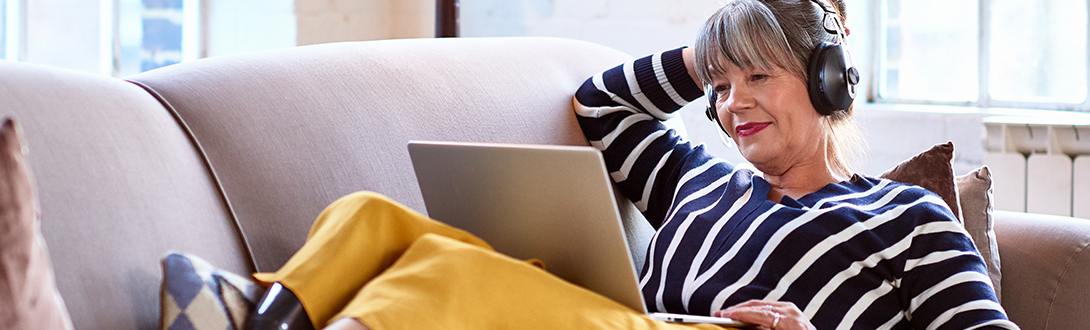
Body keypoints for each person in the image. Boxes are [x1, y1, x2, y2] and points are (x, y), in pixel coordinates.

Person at [250, 0, 1018, 329]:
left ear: (824, 79)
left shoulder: (905, 219)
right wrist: (711, 49)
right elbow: (601, 107)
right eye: (720, 87)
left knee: (449, 275)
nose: (731, 105)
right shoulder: (700, 181)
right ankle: (258, 313)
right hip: (638, 323)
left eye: (757, 77)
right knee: (372, 218)